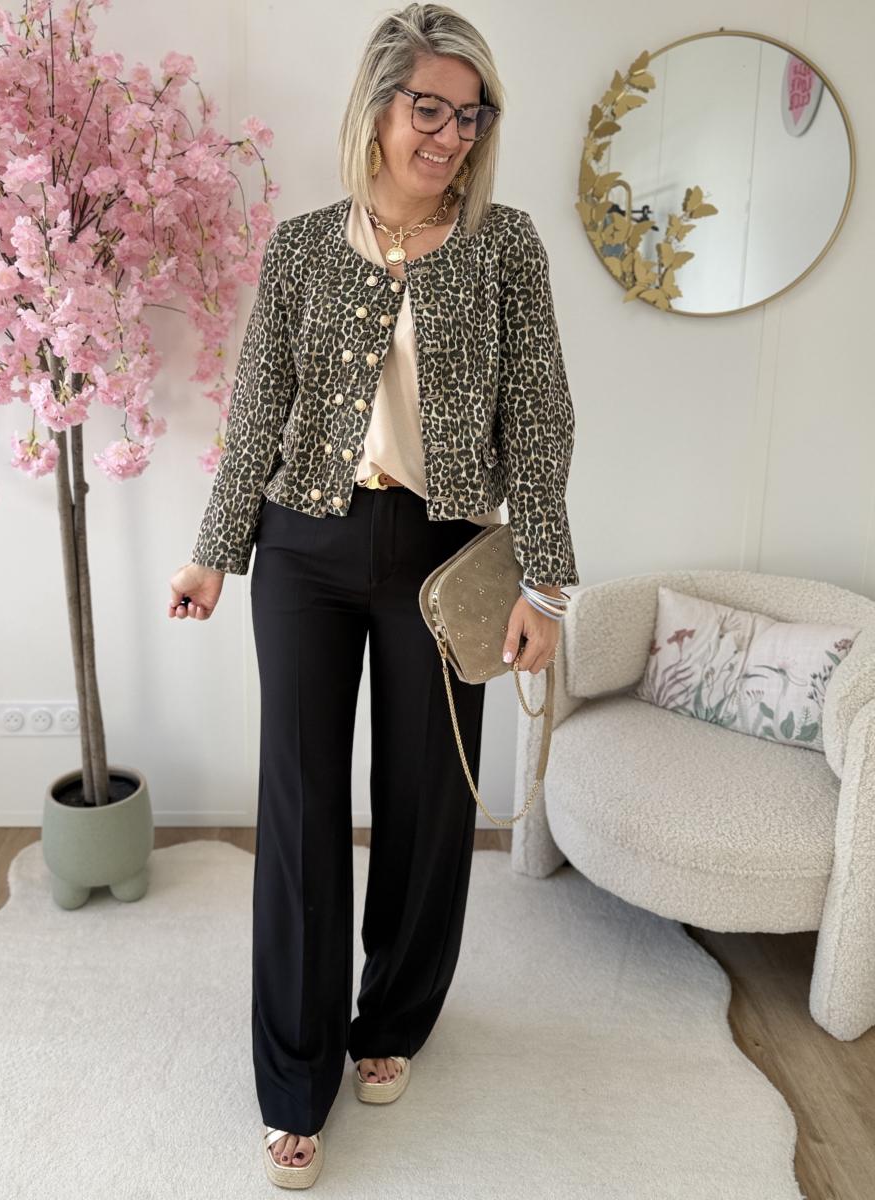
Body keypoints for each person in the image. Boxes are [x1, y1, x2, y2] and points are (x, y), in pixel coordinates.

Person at [168, 3, 578, 1188]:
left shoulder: (505, 247)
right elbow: (259, 405)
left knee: (427, 801)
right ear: (379, 108)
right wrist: (214, 551)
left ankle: (390, 1020)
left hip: (447, 559)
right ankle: (294, 1082)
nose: (448, 135)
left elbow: (539, 416)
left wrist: (546, 584)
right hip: (306, 546)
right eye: (427, 109)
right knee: (300, 807)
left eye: (470, 115)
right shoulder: (303, 245)